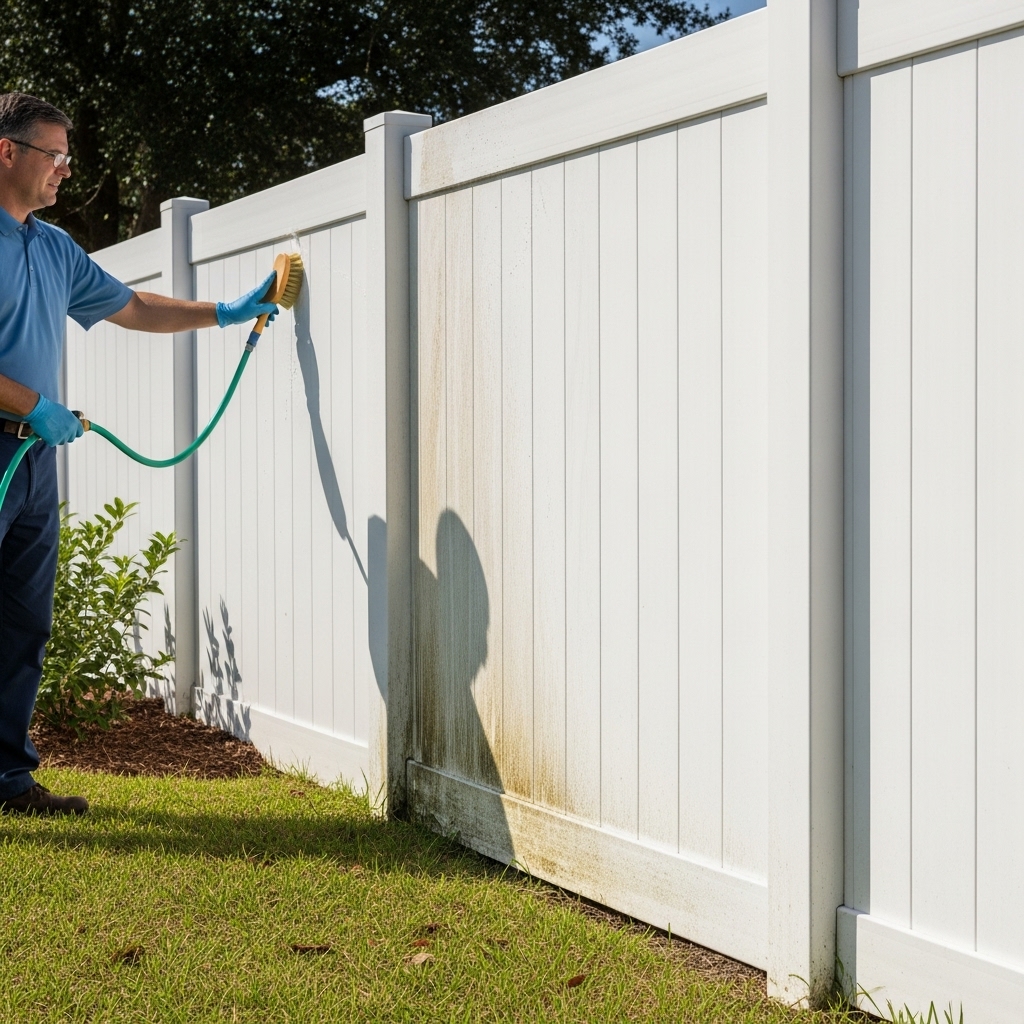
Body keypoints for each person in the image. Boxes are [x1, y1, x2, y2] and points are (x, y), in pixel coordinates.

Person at [0, 92, 278, 816]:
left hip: (33, 462)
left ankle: (6, 782)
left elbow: (132, 308)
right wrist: (35, 405)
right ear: (8, 151)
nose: (65, 169)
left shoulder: (53, 247)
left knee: (24, 624)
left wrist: (223, 313)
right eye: (54, 155)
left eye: (66, 157)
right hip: (12, 438)